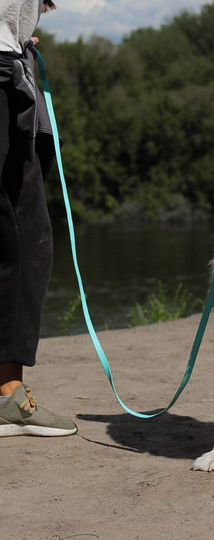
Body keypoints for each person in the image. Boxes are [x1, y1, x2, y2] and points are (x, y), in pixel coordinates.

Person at [0, 0, 77, 436]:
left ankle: (8, 391)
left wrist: (18, 37)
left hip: (11, 67)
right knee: (24, 239)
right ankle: (9, 393)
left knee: (23, 237)